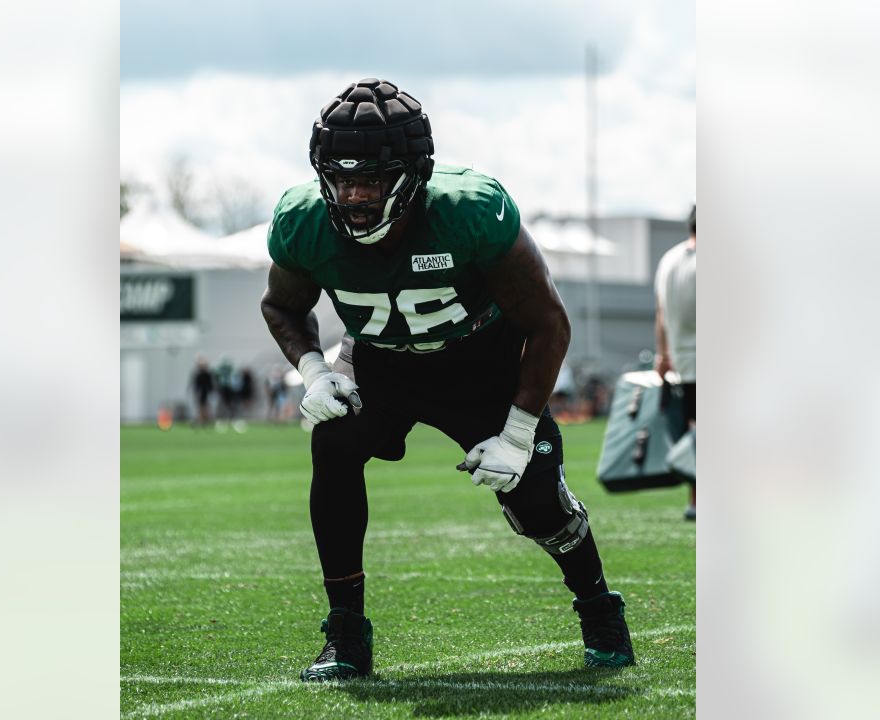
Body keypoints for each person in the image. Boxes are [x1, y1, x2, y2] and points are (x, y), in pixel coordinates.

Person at [261, 78, 634, 682]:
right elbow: (282, 306)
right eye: (340, 178)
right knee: (331, 443)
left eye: (371, 181)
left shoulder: (469, 213)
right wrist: (312, 371)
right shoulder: (304, 221)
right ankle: (347, 634)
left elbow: (548, 324)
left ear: (412, 177)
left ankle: (599, 610)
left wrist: (515, 434)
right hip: (380, 361)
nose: (353, 196)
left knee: (536, 500)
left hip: (479, 365)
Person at [654, 205, 697, 520]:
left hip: (681, 362)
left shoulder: (668, 260)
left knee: (693, 433)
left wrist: (662, 354)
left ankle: (696, 502)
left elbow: (660, 314)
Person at [189, 356, 214, 427]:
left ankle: (205, 420)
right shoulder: (198, 374)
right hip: (200, 392)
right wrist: (195, 392)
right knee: (201, 407)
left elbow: (210, 384)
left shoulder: (208, 374)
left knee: (205, 406)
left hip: (206, 392)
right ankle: (201, 420)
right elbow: (195, 384)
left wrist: (210, 391)